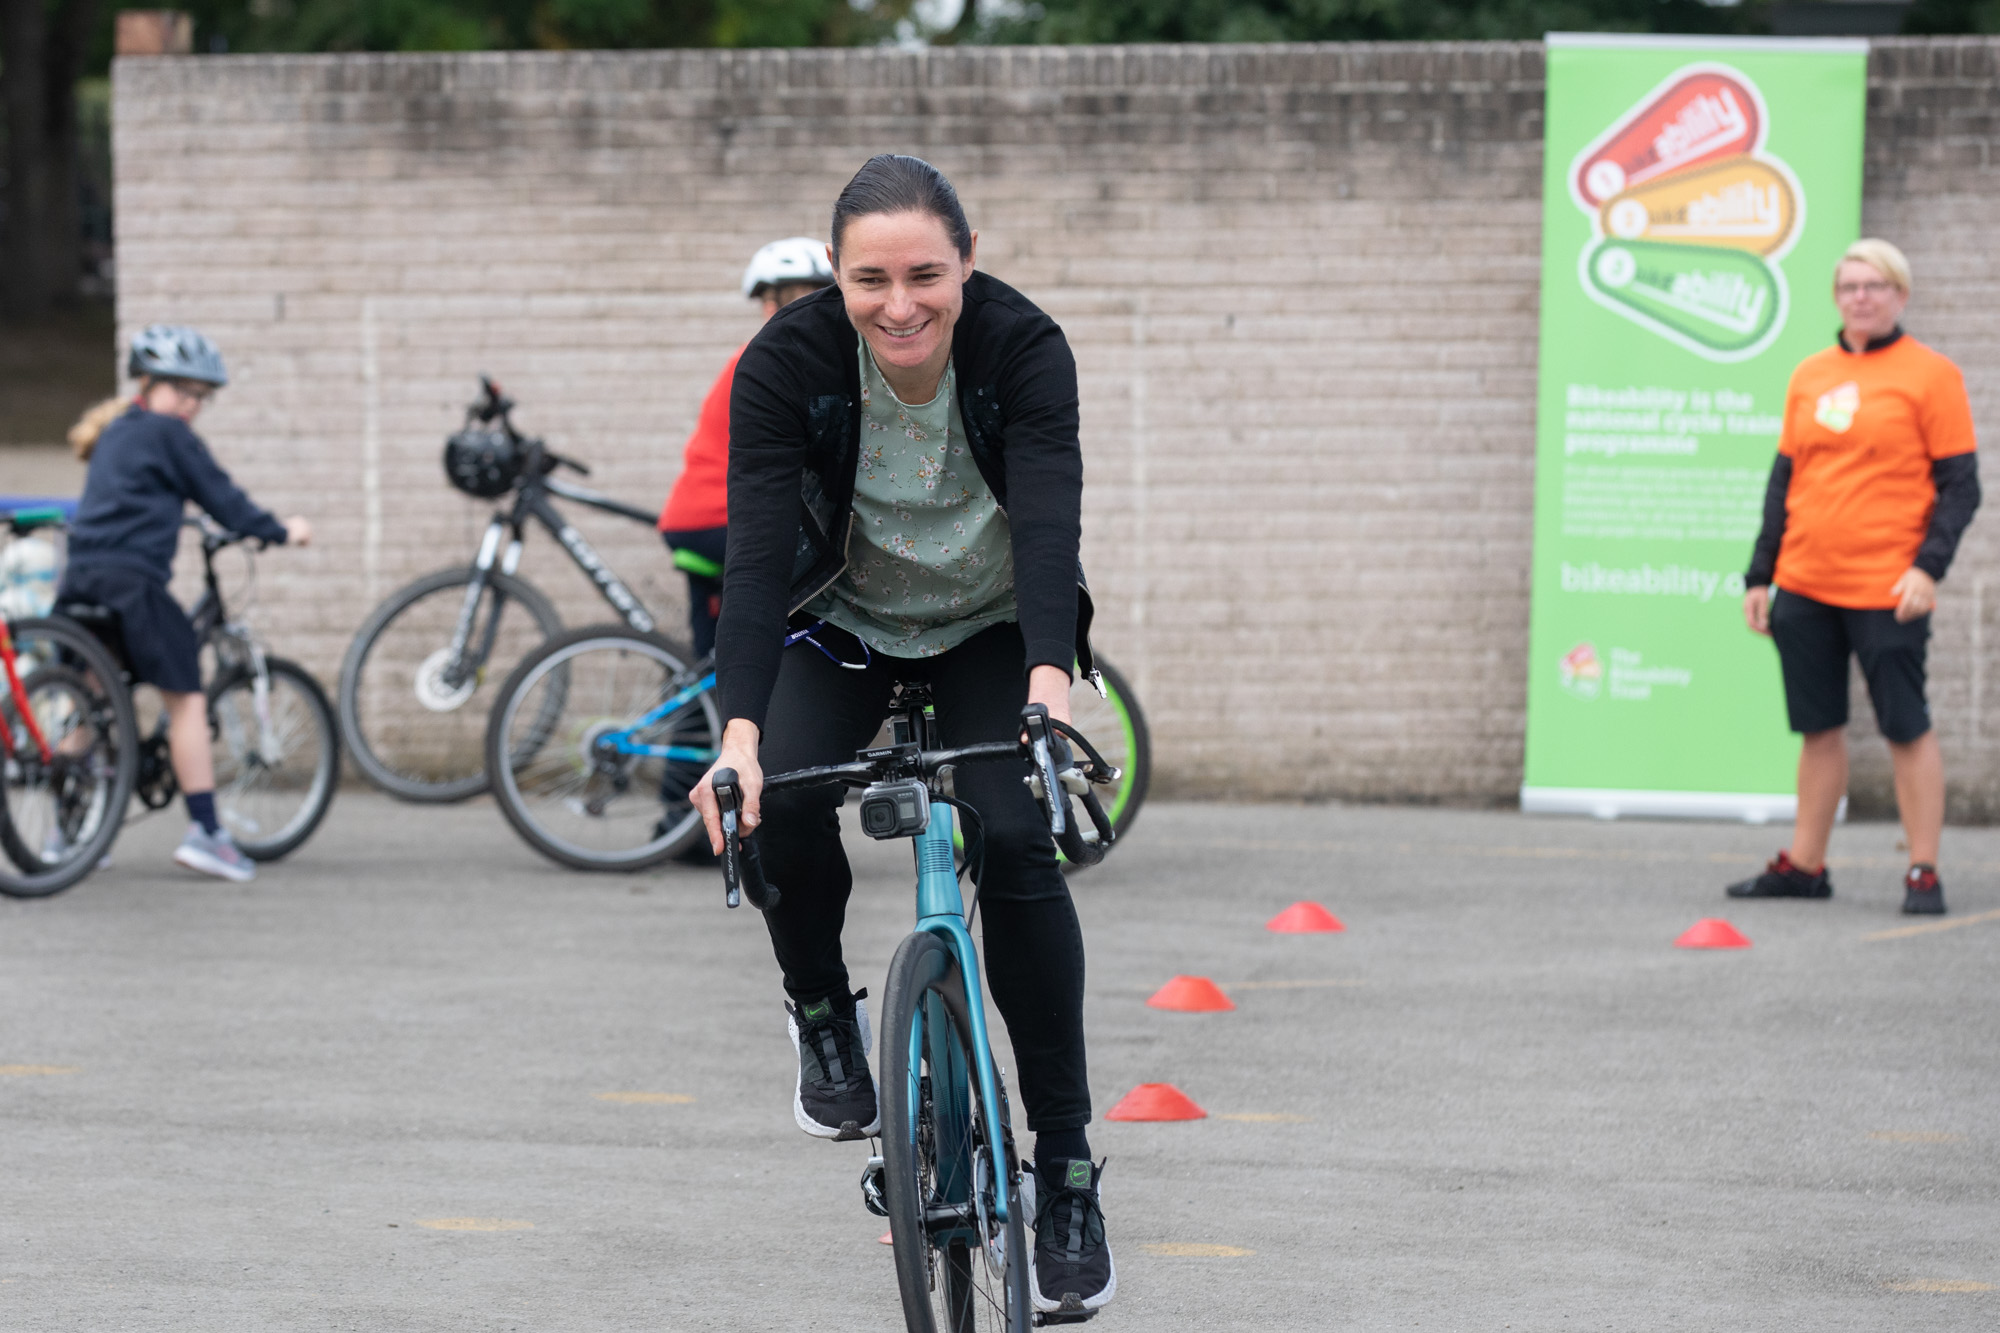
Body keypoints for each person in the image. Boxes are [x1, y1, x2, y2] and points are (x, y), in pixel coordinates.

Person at [688, 155, 1114, 1317]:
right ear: (835, 275)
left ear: (965, 262)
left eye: (926, 273)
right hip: (843, 624)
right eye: (870, 278)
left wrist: (1045, 686)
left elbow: (1045, 518)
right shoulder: (786, 363)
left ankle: (1066, 1174)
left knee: (1022, 844)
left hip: (986, 632)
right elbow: (760, 553)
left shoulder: (1023, 349)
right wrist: (734, 737)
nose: (901, 302)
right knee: (770, 805)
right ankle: (822, 1009)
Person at [1734, 239, 1979, 915]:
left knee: (1905, 724)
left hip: (1888, 587)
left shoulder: (1932, 375)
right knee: (1819, 726)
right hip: (1806, 581)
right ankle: (1806, 866)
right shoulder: (1809, 374)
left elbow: (1961, 486)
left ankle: (1922, 870)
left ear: (1900, 294)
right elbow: (1785, 478)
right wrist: (1761, 574)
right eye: (1849, 286)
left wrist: (1929, 568)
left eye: (1875, 286)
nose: (1861, 297)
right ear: (1837, 296)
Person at [61, 325, 312, 884]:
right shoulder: (170, 435)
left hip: (79, 581)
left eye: (202, 397)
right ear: (148, 384)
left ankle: (73, 832)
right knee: (187, 701)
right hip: (133, 585)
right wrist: (279, 530)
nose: (192, 406)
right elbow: (224, 499)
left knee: (89, 695)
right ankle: (206, 833)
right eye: (183, 392)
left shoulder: (118, 433)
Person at [657, 238, 836, 657]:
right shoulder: (775, 362)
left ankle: (694, 719)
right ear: (769, 305)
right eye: (794, 299)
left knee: (712, 656)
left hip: (702, 517)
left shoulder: (769, 356)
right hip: (718, 515)